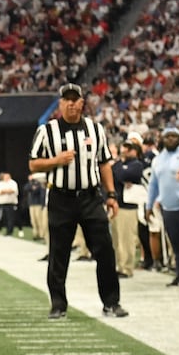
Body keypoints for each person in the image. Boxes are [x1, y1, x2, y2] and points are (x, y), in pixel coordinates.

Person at [28, 83, 126, 320]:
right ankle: (58, 304)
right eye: (66, 100)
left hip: (91, 197)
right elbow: (33, 164)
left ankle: (111, 302)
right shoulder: (47, 131)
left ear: (82, 103)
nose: (71, 103)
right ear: (60, 104)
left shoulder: (96, 129)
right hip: (61, 198)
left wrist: (111, 195)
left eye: (75, 99)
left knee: (104, 251)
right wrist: (56, 160)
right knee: (59, 254)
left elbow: (104, 163)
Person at [147, 127, 179, 287]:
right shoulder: (158, 159)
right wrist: (149, 206)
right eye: (166, 136)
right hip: (168, 208)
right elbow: (153, 184)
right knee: (177, 245)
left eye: (173, 136)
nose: (170, 139)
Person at [110, 140, 146, 277]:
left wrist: (118, 165)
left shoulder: (136, 164)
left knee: (127, 239)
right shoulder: (122, 164)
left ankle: (127, 268)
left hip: (129, 206)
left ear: (135, 151)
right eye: (124, 147)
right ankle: (119, 266)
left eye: (129, 149)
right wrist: (120, 169)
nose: (126, 151)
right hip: (117, 204)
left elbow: (123, 175)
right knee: (117, 239)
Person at [25, 172, 48, 242]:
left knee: (39, 219)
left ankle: (42, 234)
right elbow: (26, 188)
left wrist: (34, 187)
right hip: (31, 204)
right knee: (33, 220)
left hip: (38, 203)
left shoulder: (39, 183)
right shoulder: (30, 183)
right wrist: (31, 183)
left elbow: (37, 191)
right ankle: (36, 234)